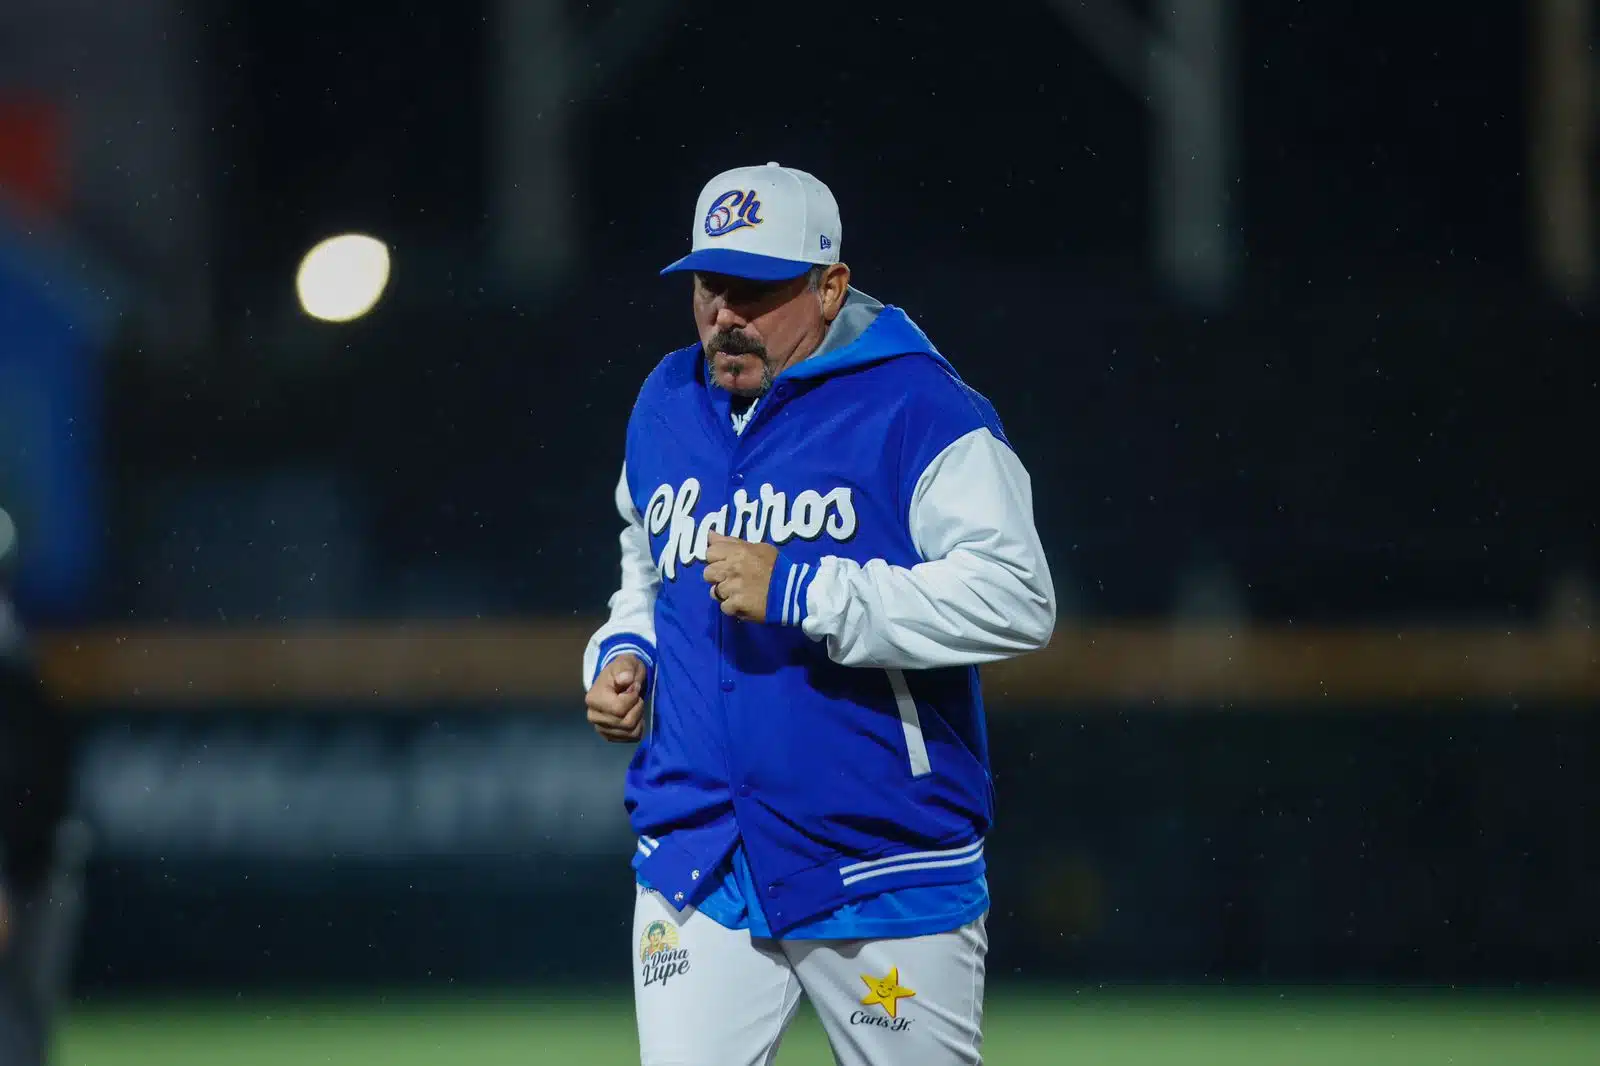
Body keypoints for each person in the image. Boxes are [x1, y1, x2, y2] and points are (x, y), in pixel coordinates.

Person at [583, 162, 1055, 1066]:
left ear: (831, 286)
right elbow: (643, 573)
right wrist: (621, 651)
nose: (726, 313)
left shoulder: (919, 406)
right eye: (709, 287)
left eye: (758, 290)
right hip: (701, 850)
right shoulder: (666, 402)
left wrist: (805, 589)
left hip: (877, 857)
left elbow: (1018, 597)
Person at [0, 512, 76, 1066]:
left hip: (35, 866)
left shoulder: (13, 645)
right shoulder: (11, 651)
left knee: (24, 1024)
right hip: (24, 870)